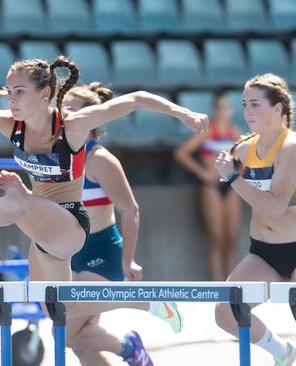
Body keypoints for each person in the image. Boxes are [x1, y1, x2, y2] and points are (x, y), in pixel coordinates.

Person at [0, 56, 208, 366]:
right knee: (57, 308)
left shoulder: (73, 127)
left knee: (19, 200)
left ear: (45, 94)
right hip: (43, 232)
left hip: (70, 223)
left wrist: (183, 112)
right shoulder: (8, 124)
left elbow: (135, 100)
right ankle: (148, 303)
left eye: (20, 92)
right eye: (8, 91)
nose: (12, 99)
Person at [213, 74, 296, 366]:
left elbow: (275, 207)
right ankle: (283, 353)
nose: (247, 112)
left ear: (279, 109)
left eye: (255, 104)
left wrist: (231, 177)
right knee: (225, 312)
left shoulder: (293, 146)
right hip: (263, 253)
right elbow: (228, 158)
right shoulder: (246, 147)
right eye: (244, 104)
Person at [63, 82, 182, 366]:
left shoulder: (101, 160)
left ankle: (145, 303)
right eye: (61, 106)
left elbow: (130, 210)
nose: (62, 113)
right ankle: (132, 349)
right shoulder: (58, 157)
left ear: (92, 118)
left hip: (103, 252)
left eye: (69, 107)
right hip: (72, 253)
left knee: (66, 330)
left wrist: (129, 261)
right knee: (82, 344)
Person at [174, 93, 242, 281]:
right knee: (216, 238)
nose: (223, 111)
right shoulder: (208, 131)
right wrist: (202, 172)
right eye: (219, 107)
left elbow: (248, 156)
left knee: (232, 239)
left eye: (226, 107)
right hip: (211, 186)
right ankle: (217, 283)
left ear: (231, 110)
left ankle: (231, 283)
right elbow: (182, 153)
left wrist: (239, 175)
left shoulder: (234, 131)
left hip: (230, 185)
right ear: (214, 109)